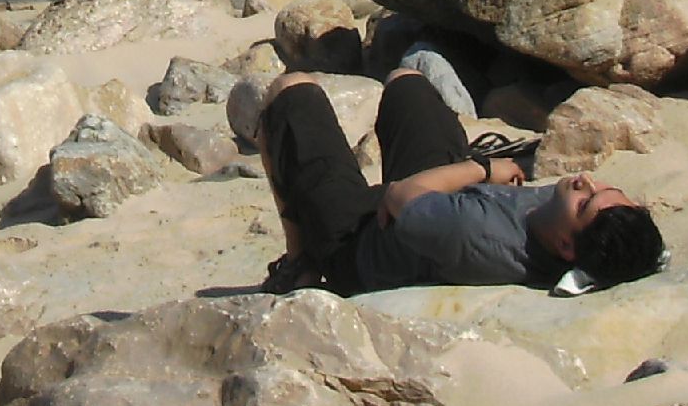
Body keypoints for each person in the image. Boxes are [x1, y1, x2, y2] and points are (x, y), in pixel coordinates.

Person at [256, 65, 664, 294]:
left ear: (566, 246)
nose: (586, 181)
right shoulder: (561, 223)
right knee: (407, 84)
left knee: (291, 92)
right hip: (442, 203)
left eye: (585, 202)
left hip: (361, 243)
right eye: (605, 189)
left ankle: (301, 260)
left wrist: (484, 169)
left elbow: (399, 195)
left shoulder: (476, 234)